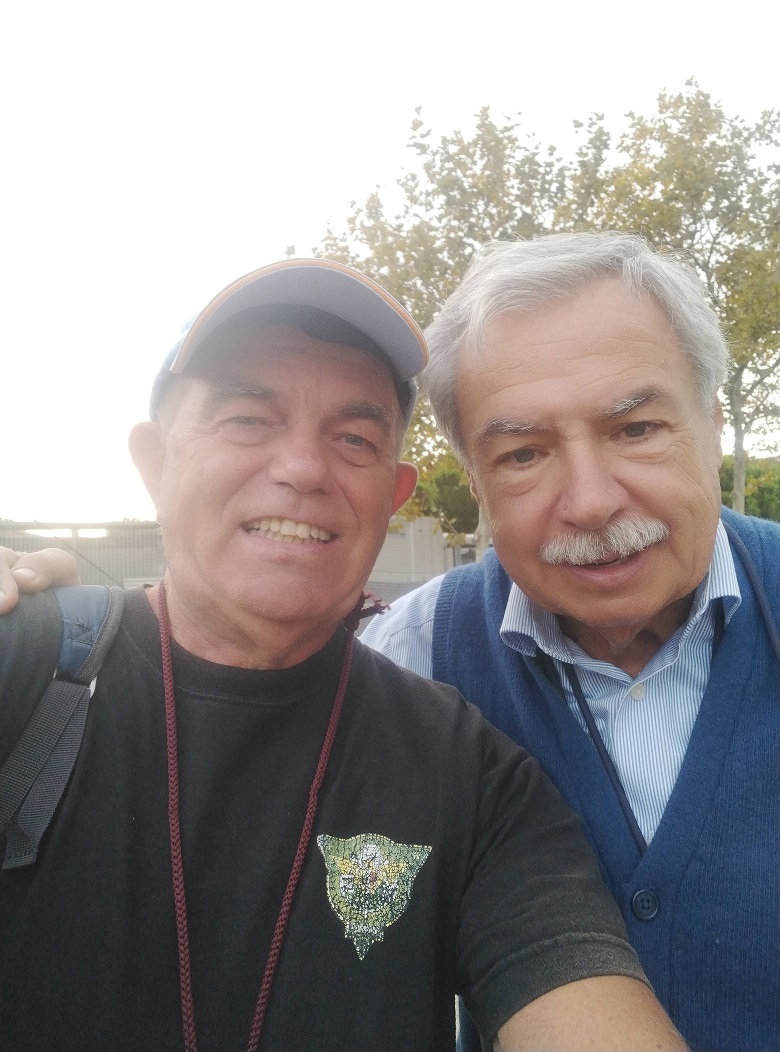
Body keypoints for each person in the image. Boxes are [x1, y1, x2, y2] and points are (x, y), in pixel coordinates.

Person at [0, 259, 686, 1052]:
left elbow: (569, 979)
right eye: (248, 420)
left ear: (392, 496)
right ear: (156, 463)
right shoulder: (24, 668)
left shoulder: (468, 772)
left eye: (354, 438)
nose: (301, 468)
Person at [361, 231, 780, 1052]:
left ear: (712, 424)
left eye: (636, 429)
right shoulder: (410, 662)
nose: (589, 502)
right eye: (523, 453)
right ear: (476, 482)